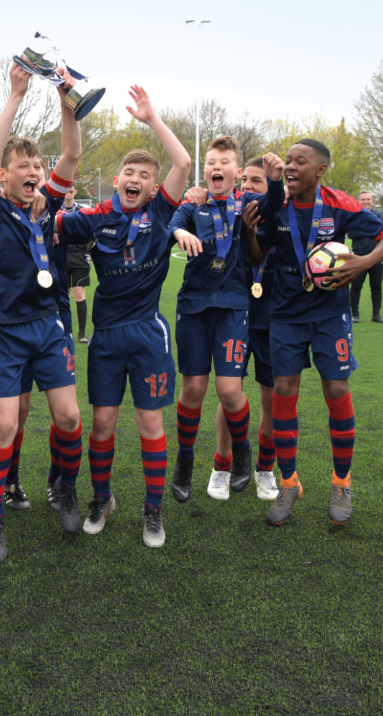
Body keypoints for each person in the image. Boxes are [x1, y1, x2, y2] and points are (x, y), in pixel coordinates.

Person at [58, 85, 191, 546]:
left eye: (144, 175)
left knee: (151, 423)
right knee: (102, 423)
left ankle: (153, 511)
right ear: (116, 181)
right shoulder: (95, 217)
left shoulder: (159, 212)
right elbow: (49, 215)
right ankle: (102, 498)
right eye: (128, 172)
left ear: (154, 188)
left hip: (148, 336)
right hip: (106, 338)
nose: (135, 179)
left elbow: (184, 164)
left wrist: (152, 119)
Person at [0, 63, 82, 562]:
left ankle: (66, 487)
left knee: (69, 417)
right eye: (24, 167)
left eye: (38, 166)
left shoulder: (49, 208)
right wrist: (15, 94)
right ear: (5, 177)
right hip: (5, 333)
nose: (34, 172)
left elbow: (74, 153)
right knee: (6, 426)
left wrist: (66, 101)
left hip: (47, 328)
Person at [256, 139, 383, 527]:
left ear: (320, 170)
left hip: (329, 314)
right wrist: (253, 225)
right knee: (284, 390)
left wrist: (363, 263)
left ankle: (341, 481)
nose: (291, 166)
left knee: (335, 389)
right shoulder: (276, 203)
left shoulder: (339, 203)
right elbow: (255, 250)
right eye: (288, 160)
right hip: (285, 313)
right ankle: (289, 483)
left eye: (301, 161)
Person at [167, 136, 267, 506]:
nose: (216, 167)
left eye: (224, 162)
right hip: (193, 307)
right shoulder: (194, 205)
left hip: (232, 307)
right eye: (211, 162)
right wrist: (179, 231)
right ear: (204, 170)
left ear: (238, 173)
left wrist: (270, 176)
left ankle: (241, 450)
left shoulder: (248, 205)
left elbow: (273, 203)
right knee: (193, 390)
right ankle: (185, 459)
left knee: (228, 390)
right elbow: (170, 224)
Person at [213, 158, 281, 501]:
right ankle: (222, 466)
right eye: (248, 180)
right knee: (229, 394)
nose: (251, 187)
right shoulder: (230, 214)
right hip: (235, 316)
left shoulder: (281, 220)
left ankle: (265, 469)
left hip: (271, 321)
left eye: (260, 181)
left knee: (271, 399)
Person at [348, 191, 383, 323]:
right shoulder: (354, 215)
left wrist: (363, 230)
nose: (366, 202)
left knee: (376, 287)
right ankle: (354, 314)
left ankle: (376, 315)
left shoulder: (380, 215)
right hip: (358, 256)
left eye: (368, 199)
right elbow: (351, 233)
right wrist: (373, 231)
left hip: (378, 257)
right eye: (363, 199)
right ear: (358, 201)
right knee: (356, 287)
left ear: (372, 201)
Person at [62, 190, 92, 344]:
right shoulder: (56, 210)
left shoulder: (82, 211)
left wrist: (88, 253)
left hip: (80, 258)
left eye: (71, 191)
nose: (68, 194)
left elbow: (92, 233)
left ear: (75, 192)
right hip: (63, 256)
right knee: (64, 296)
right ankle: (66, 331)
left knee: (80, 295)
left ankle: (81, 333)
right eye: (65, 191)